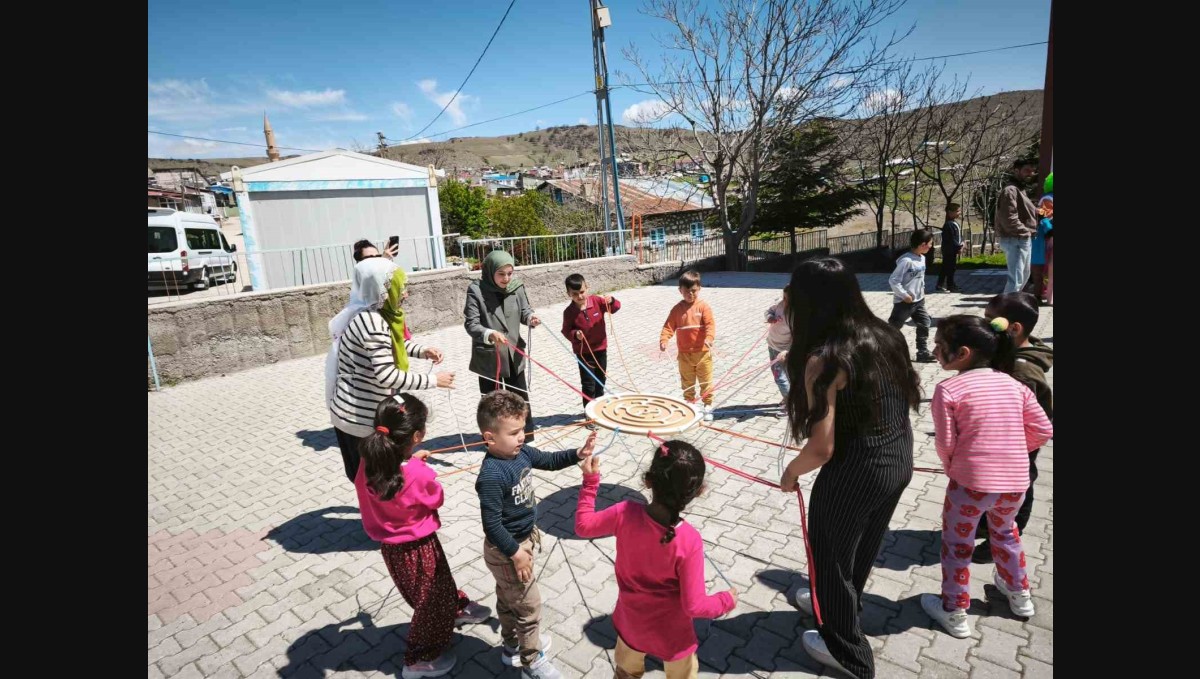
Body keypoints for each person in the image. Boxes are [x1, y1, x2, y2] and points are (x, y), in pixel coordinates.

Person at [779, 257, 921, 679]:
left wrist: (791, 472)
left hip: (857, 469)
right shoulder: (885, 333)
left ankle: (847, 652)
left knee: (831, 553)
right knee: (858, 545)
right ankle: (836, 602)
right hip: (898, 458)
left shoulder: (825, 359)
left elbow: (821, 448)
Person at [921, 315, 1053, 638]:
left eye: (940, 346)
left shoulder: (948, 389)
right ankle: (1020, 595)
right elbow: (1043, 429)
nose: (935, 351)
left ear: (963, 353)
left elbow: (946, 442)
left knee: (957, 545)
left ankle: (954, 610)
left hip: (970, 485)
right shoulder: (1015, 384)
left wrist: (953, 466)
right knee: (1007, 534)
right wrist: (1016, 453)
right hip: (1015, 484)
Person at [355, 395, 492, 678]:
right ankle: (418, 659)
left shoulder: (370, 461)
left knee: (439, 585)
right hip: (417, 547)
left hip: (393, 550)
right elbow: (435, 498)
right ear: (417, 435)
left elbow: (396, 476)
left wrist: (409, 460)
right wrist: (422, 469)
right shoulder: (417, 473)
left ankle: (455, 607)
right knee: (429, 601)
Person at [575, 440, 736, 679]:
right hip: (673, 638)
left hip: (631, 625)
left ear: (648, 480)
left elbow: (583, 526)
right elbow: (695, 606)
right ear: (699, 491)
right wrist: (726, 600)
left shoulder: (624, 512)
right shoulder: (689, 540)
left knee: (626, 673)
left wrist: (590, 482)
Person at [475, 391, 597, 679]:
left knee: (508, 600)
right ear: (490, 438)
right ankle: (532, 662)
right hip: (507, 550)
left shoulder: (522, 452)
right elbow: (491, 525)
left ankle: (511, 648)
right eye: (514, 432)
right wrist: (516, 553)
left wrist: (577, 454)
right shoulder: (491, 475)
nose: (521, 437)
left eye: (523, 430)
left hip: (520, 542)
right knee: (529, 607)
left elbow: (549, 460)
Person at [327, 258, 455, 482]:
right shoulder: (372, 322)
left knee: (373, 481)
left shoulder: (374, 314)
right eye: (400, 287)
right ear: (383, 289)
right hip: (358, 419)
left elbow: (393, 345)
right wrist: (434, 380)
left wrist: (422, 351)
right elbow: (386, 375)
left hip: (359, 414)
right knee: (372, 482)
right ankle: (378, 516)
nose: (405, 293)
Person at [971, 292, 1053, 563]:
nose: (984, 327)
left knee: (1018, 490)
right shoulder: (1010, 353)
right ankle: (986, 524)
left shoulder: (1022, 371)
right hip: (1004, 443)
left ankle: (1003, 539)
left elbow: (1025, 420)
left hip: (1017, 446)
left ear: (1015, 328)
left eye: (990, 322)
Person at [464, 251, 541, 440]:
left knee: (519, 398)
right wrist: (489, 334)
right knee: (492, 402)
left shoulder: (517, 287)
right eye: (501, 274)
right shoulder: (476, 290)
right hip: (491, 357)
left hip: (514, 354)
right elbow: (471, 324)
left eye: (509, 273)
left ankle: (525, 434)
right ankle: (493, 439)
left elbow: (525, 310)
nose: (506, 278)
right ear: (490, 271)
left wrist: (531, 318)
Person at [658, 270, 717, 421]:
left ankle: (708, 406)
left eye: (693, 291)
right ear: (680, 291)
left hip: (703, 353)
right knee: (687, 382)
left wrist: (709, 338)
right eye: (686, 291)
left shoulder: (703, 307)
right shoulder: (677, 309)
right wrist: (664, 340)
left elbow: (710, 325)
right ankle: (690, 405)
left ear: (699, 289)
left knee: (706, 380)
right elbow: (668, 327)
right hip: (684, 354)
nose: (690, 294)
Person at [560, 273, 621, 417]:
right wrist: (575, 335)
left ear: (587, 287)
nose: (580, 296)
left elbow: (615, 308)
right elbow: (566, 331)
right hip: (583, 353)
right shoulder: (569, 312)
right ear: (568, 293)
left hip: (600, 349)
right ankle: (589, 414)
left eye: (582, 292)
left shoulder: (597, 301)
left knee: (601, 380)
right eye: (575, 294)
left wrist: (611, 301)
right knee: (588, 384)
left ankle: (599, 409)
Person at [887, 229, 936, 363]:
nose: (931, 246)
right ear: (922, 244)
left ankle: (922, 352)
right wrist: (904, 295)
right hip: (904, 303)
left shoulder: (922, 258)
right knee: (893, 328)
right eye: (930, 243)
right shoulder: (906, 261)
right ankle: (883, 351)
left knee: (925, 323)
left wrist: (922, 290)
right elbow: (893, 280)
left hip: (919, 301)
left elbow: (920, 278)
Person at [994, 158, 1039, 294]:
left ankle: (1011, 307)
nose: (1030, 174)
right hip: (1016, 239)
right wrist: (1025, 232)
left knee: (1022, 278)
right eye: (1026, 170)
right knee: (1016, 280)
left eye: (1032, 171)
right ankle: (1006, 310)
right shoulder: (1010, 190)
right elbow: (1009, 218)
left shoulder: (1020, 190)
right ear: (1016, 170)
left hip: (1021, 238)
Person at [765, 285, 792, 414]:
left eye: (789, 299)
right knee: (784, 376)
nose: (785, 301)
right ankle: (789, 398)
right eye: (784, 297)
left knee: (780, 377)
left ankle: (790, 404)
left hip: (784, 351)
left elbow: (799, 337)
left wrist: (787, 351)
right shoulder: (779, 304)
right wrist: (770, 317)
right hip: (772, 345)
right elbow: (768, 312)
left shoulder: (797, 315)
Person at [1025, 196, 1053, 302]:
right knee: (1037, 277)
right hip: (1039, 254)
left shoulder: (1041, 221)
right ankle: (1037, 296)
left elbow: (1050, 231)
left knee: (1036, 277)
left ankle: (1037, 296)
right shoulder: (1040, 221)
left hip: (1038, 255)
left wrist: (1044, 219)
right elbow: (1050, 231)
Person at [935, 203, 964, 293]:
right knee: (948, 268)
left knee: (950, 268)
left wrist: (962, 243)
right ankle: (946, 285)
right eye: (957, 211)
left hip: (953, 250)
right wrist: (959, 247)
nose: (959, 212)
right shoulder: (948, 225)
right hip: (949, 250)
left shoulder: (955, 223)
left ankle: (948, 284)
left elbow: (958, 236)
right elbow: (951, 239)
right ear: (950, 212)